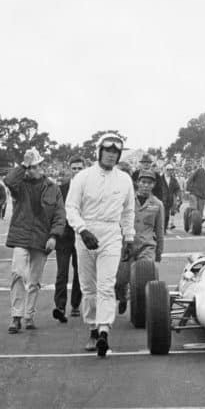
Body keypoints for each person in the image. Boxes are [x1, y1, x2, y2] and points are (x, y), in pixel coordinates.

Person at [65, 133, 135, 357]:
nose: (111, 155)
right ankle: (93, 328)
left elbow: (128, 211)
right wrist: (82, 230)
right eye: (108, 150)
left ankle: (104, 330)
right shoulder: (82, 177)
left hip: (112, 233)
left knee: (106, 285)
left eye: (116, 152)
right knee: (88, 286)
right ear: (99, 151)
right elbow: (71, 208)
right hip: (86, 232)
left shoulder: (125, 179)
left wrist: (130, 237)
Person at [4, 147, 65, 332]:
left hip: (41, 238)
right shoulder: (20, 184)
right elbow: (9, 181)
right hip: (21, 237)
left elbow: (59, 214)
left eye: (34, 166)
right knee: (17, 273)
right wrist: (23, 164)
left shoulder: (53, 188)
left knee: (34, 280)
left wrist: (54, 236)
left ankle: (29, 315)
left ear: (41, 166)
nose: (31, 170)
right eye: (29, 167)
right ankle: (16, 316)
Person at [115, 168, 164, 314]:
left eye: (149, 183)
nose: (146, 185)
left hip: (146, 247)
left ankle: (141, 310)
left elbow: (159, 230)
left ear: (153, 185)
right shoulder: (127, 200)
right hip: (127, 246)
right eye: (143, 182)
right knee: (120, 280)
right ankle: (123, 298)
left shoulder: (157, 204)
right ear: (137, 183)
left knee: (144, 280)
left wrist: (159, 252)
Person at [52, 156, 85, 322]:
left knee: (80, 273)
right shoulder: (61, 189)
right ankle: (60, 305)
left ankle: (75, 305)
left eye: (80, 168)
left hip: (81, 236)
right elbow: (56, 212)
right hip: (64, 237)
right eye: (74, 168)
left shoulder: (89, 189)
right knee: (61, 273)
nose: (77, 171)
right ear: (69, 169)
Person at [161, 162, 182, 230]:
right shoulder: (160, 179)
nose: (171, 171)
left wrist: (179, 196)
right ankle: (161, 228)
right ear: (166, 170)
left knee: (167, 215)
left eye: (172, 170)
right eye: (169, 170)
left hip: (169, 200)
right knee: (161, 215)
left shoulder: (173, 180)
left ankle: (164, 228)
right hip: (161, 200)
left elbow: (177, 189)